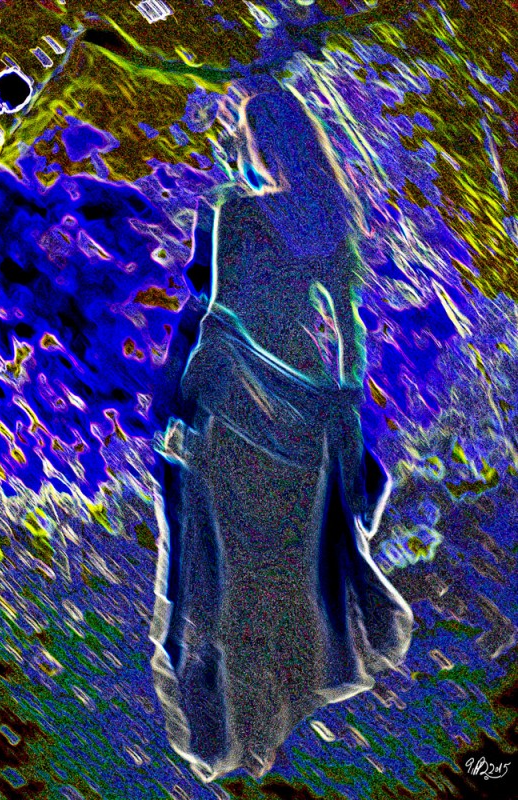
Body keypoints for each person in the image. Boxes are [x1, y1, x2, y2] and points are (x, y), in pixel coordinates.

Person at [149, 87, 413, 782]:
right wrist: (341, 414)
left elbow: (217, 316)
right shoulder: (331, 220)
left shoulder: (233, 211)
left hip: (234, 402)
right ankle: (266, 730)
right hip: (303, 405)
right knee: (282, 570)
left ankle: (239, 729)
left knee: (224, 567)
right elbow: (349, 336)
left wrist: (186, 408)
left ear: (260, 143)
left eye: (244, 135)